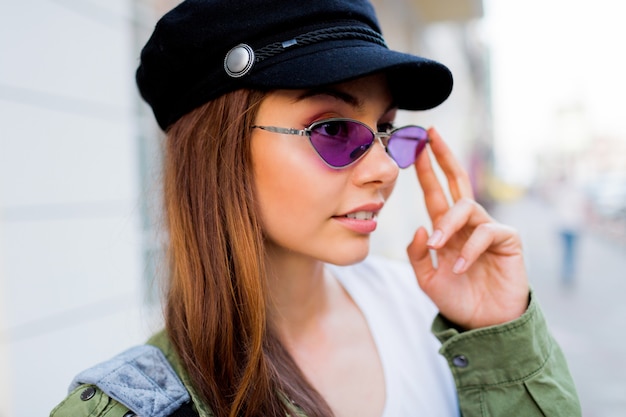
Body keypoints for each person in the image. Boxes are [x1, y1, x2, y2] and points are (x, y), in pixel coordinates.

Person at [50, 1, 581, 416]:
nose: (386, 169)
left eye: (387, 129)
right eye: (332, 130)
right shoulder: (132, 406)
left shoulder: (430, 315)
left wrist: (499, 339)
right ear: (219, 151)